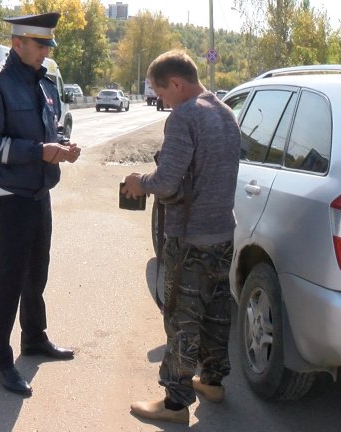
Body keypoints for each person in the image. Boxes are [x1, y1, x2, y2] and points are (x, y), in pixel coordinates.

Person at [121, 50, 241, 424]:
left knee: (181, 318)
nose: (161, 100)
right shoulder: (226, 113)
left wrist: (140, 183)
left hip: (190, 241)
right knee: (218, 312)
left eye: (161, 92)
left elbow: (168, 181)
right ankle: (213, 382)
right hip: (223, 234)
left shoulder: (184, 117)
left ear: (176, 83)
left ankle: (175, 403)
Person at [0, 12, 81, 398]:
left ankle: (35, 338)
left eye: (49, 45)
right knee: (8, 281)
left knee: (37, 274)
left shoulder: (45, 81)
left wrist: (62, 144)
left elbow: (53, 124)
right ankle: (1, 362)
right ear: (18, 44)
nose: (47, 51)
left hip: (39, 194)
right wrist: (40, 151)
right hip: (11, 198)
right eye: (41, 44)